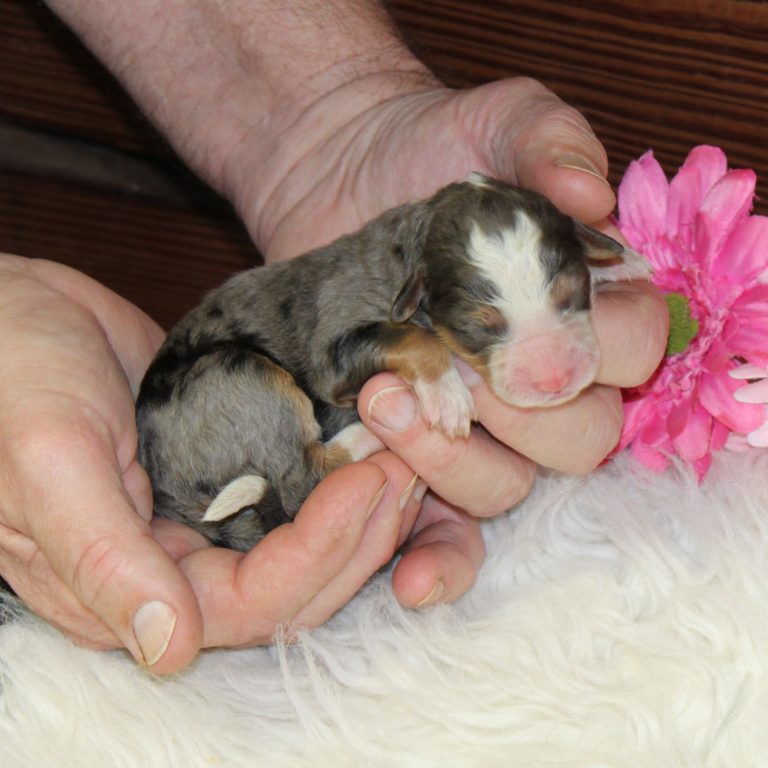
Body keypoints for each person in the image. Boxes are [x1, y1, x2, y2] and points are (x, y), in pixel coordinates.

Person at [0, 0, 668, 674]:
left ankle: (298, 480)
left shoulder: (429, 259)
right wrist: (427, 365)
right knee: (282, 399)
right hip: (211, 388)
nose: (552, 367)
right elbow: (350, 354)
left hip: (271, 405)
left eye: (566, 301)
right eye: (483, 329)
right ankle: (291, 487)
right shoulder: (384, 295)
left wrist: (343, 118)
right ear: (419, 293)